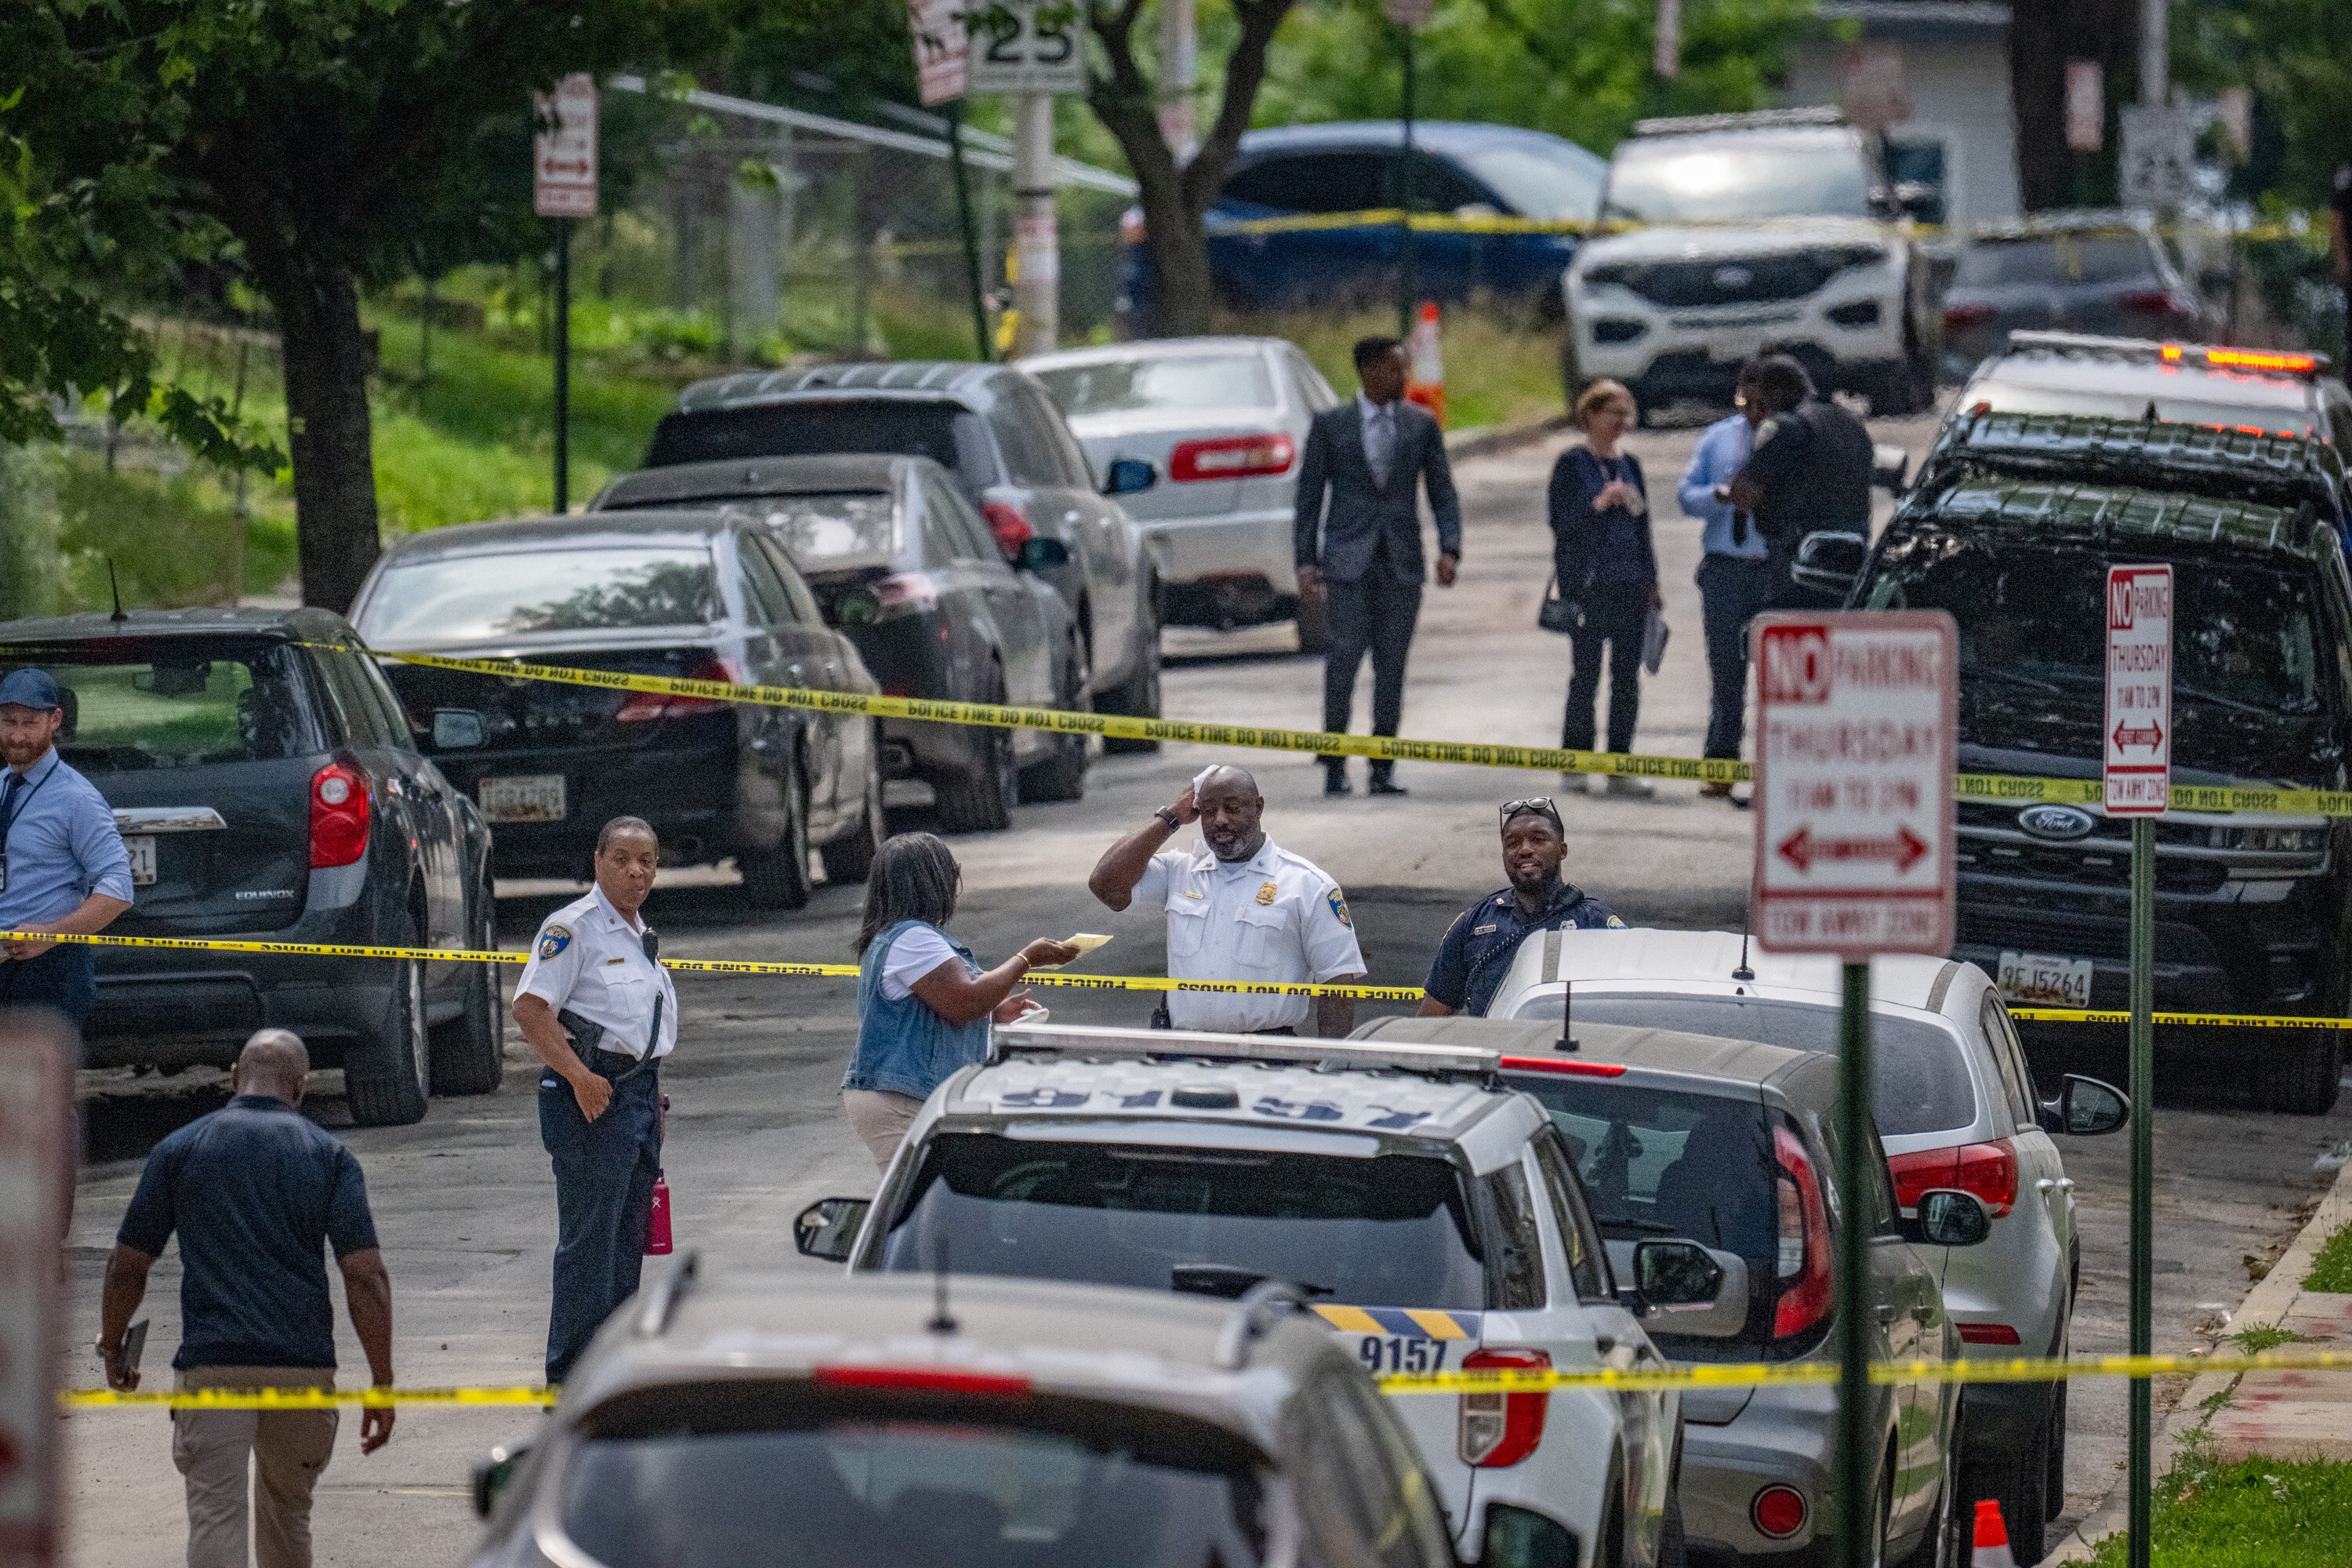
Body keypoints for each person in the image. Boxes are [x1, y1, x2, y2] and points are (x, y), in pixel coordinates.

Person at [96, 1029, 394, 1568]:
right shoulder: (329, 1156)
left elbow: (126, 1266)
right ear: (300, 1088)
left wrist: (114, 1346)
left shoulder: (180, 1149)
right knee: (288, 1517)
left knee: (216, 1518)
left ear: (235, 1075)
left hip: (213, 1368)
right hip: (302, 1369)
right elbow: (365, 1277)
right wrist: (382, 1381)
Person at [512, 815, 677, 1385]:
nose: (636, 871)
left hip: (635, 1097)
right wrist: (580, 1076)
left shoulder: (638, 933)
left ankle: (613, 1370)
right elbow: (531, 1010)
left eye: (647, 861)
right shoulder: (573, 928)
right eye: (623, 859)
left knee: (629, 1238)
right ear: (598, 861)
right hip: (592, 1097)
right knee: (589, 1244)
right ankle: (571, 1377)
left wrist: (649, 1093)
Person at [844, 832, 1076, 1170]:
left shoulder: (900, 936)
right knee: (928, 1208)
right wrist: (1026, 959)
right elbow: (965, 1002)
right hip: (901, 1099)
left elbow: (942, 1006)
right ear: (934, 884)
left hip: (900, 1096)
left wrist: (993, 1014)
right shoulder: (914, 939)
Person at [1294, 335, 1463, 797]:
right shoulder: (1331, 426)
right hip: (1348, 564)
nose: (1403, 378)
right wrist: (1306, 562)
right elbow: (1308, 500)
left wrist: (1450, 547)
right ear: (1367, 372)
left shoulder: (1420, 425)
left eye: (1404, 369)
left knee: (1392, 666)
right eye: (1394, 369)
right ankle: (1334, 763)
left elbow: (1442, 492)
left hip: (1401, 563)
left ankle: (1382, 766)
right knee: (1343, 661)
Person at [1088, 764, 1368, 1036]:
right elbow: (1105, 885)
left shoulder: (1307, 885)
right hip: (1183, 1055)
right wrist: (1171, 817)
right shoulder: (1180, 871)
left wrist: (1328, 1066)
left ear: (1258, 807)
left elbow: (1338, 985)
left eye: (1232, 808)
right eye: (1208, 811)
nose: (1219, 819)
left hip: (1266, 1058)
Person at [0, 667, 133, 1026]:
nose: (17, 735)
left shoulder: (77, 799)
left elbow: (118, 887)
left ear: (54, 720)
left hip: (47, 970)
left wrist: (51, 935)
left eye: (29, 723)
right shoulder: (0, 785)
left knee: (34, 1083)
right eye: (8, 722)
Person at [1548, 379, 1660, 797]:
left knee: (1626, 676)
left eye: (1625, 414)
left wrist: (1653, 580)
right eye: (1613, 412)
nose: (1620, 422)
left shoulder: (1630, 465)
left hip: (1630, 583)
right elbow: (1560, 522)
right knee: (1586, 673)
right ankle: (1575, 760)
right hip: (1590, 586)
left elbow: (1644, 526)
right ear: (1591, 415)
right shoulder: (1572, 463)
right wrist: (1597, 504)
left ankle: (1619, 763)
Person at [1420, 798, 1626, 1018]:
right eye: (1512, 843)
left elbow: (1630, 1007)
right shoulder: (1475, 922)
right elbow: (1431, 1019)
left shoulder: (1594, 921)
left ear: (1562, 850)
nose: (1525, 850)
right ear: (1503, 855)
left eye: (1538, 840)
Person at [1679, 360, 1777, 800]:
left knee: (1777, 677)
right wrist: (1719, 495)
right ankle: (1720, 764)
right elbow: (1686, 495)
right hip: (1725, 565)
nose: (1754, 410)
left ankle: (1774, 770)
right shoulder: (1718, 438)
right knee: (1725, 672)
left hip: (1770, 565)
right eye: (1746, 401)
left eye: (1762, 402)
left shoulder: (1784, 439)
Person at [1723, 354, 1875, 607]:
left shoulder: (1783, 426)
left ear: (1771, 394)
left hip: (1799, 562)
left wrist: (1729, 489)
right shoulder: (1849, 423)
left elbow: (1747, 493)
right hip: (1853, 559)